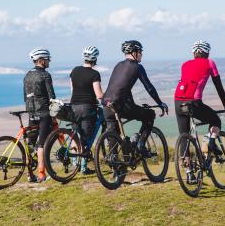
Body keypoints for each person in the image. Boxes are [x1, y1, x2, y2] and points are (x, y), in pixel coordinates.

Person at [173, 40, 225, 182]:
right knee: (215, 120)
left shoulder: (185, 64)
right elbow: (219, 86)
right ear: (207, 52)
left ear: (194, 53)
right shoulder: (210, 63)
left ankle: (189, 173)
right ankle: (209, 143)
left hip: (178, 102)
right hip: (194, 103)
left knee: (184, 135)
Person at [102, 40, 168, 155]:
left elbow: (120, 87)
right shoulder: (137, 67)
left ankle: (117, 165)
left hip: (106, 105)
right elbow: (149, 88)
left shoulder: (118, 65)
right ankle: (140, 145)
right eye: (140, 52)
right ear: (135, 52)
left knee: (114, 135)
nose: (142, 54)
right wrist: (160, 103)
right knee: (150, 115)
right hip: (120, 106)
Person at [69, 46, 104, 174]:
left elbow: (72, 90)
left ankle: (75, 165)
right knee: (85, 137)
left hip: (73, 106)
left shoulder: (75, 70)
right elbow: (99, 94)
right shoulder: (94, 74)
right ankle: (83, 167)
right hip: (87, 108)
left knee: (75, 135)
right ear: (95, 59)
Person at [23, 47, 55, 182]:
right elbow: (51, 96)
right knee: (42, 144)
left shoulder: (27, 75)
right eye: (48, 59)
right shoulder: (45, 75)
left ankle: (30, 175)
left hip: (31, 113)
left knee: (31, 144)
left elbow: (25, 96)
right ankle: (41, 174)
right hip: (43, 113)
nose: (49, 61)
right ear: (41, 60)